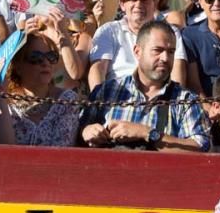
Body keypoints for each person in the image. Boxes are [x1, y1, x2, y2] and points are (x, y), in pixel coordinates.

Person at [81, 20, 209, 151]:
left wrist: (148, 133)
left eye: (171, 52)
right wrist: (87, 131)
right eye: (157, 50)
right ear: (137, 52)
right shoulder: (107, 91)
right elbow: (79, 132)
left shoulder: (185, 100)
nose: (165, 58)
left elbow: (200, 147)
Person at [88, 0, 188, 90]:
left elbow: (178, 71)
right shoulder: (108, 31)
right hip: (116, 100)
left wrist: (173, 103)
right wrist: (99, 102)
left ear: (154, 4)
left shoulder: (171, 32)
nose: (138, 4)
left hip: (159, 100)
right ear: (122, 5)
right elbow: (97, 69)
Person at [0, 31, 79, 146]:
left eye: (51, 57)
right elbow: (2, 151)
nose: (46, 63)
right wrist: (1, 98)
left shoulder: (67, 101)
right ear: (17, 67)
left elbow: (61, 149)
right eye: (36, 57)